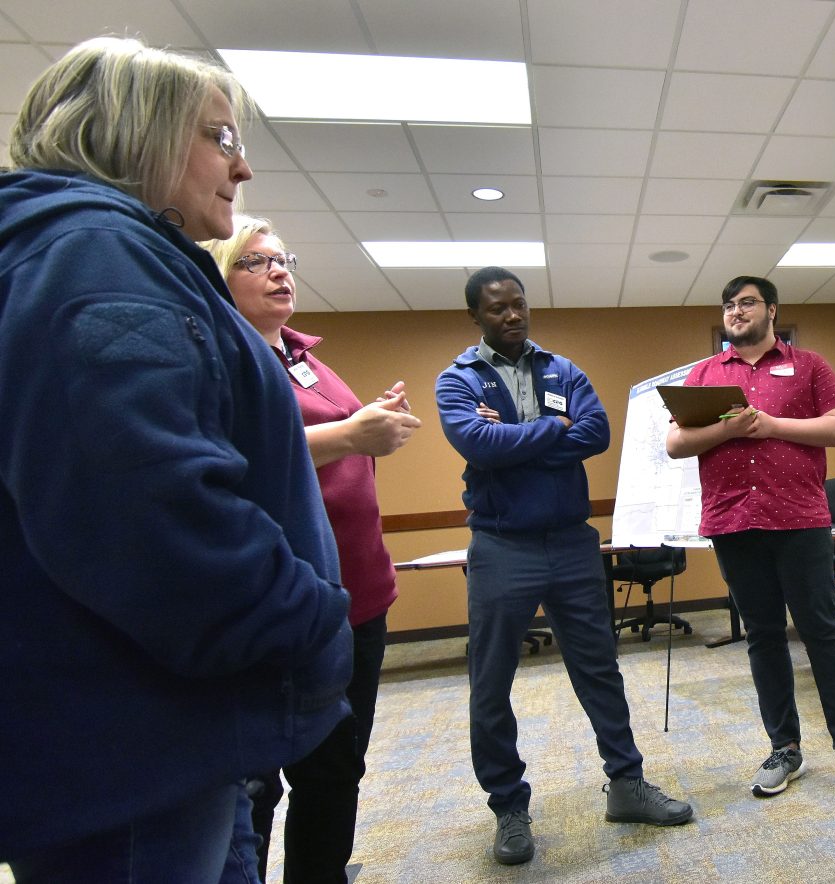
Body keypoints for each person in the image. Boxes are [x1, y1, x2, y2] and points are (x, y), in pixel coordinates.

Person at [0, 37, 354, 882]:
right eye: (220, 138)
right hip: (132, 742)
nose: (243, 168)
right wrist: (311, 621)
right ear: (136, 133)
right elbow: (149, 516)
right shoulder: (95, 259)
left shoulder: (98, 253)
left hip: (137, 720)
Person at [434, 266, 693, 866]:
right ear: (476, 315)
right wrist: (554, 428)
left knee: (599, 667)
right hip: (501, 548)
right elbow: (478, 445)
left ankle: (627, 785)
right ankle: (508, 808)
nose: (513, 315)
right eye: (498, 308)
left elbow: (596, 434)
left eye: (520, 304)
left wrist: (517, 440)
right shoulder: (457, 378)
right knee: (491, 681)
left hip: (573, 543)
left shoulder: (562, 369)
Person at [202, 216, 422, 883]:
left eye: (284, 258)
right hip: (276, 599)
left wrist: (368, 421)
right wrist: (352, 436)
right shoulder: (216, 351)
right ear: (215, 275)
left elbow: (332, 442)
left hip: (357, 595)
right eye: (255, 261)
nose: (279, 271)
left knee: (336, 767)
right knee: (254, 782)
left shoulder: (301, 354)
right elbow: (229, 457)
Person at [665, 275, 835, 800]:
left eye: (746, 303)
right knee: (763, 637)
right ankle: (784, 747)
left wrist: (772, 425)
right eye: (728, 305)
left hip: (800, 518)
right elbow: (676, 443)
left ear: (771, 310)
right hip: (733, 521)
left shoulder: (810, 366)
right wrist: (730, 429)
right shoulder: (704, 374)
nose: (735, 312)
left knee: (822, 633)